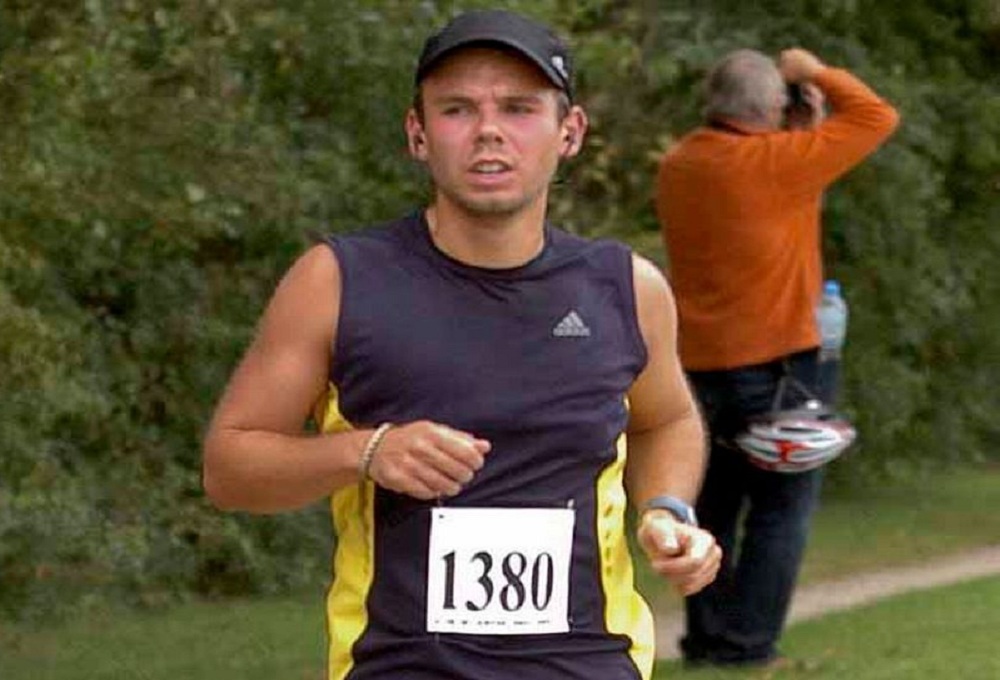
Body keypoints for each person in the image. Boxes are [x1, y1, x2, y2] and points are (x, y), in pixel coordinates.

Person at [203, 9, 721, 680]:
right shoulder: (338, 281)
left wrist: (667, 511)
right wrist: (365, 452)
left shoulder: (626, 288)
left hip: (587, 665)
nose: (489, 133)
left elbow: (667, 420)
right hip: (401, 665)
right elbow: (230, 467)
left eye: (518, 108)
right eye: (457, 109)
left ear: (570, 132)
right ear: (418, 133)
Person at [653, 48, 899, 667]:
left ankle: (707, 638)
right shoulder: (778, 164)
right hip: (780, 367)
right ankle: (749, 645)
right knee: (781, 510)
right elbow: (875, 116)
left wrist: (796, 129)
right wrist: (810, 69)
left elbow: (765, 197)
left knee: (714, 507)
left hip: (698, 366)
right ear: (769, 109)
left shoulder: (681, 163)